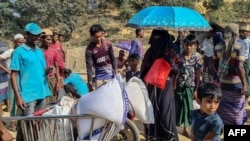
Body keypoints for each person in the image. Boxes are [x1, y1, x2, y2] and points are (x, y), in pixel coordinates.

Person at [10, 22, 51, 141]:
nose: (38, 37)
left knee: (37, 125)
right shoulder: (19, 52)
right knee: (26, 125)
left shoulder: (39, 51)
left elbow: (41, 70)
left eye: (39, 35)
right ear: (26, 35)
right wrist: (18, 96)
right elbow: (14, 75)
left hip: (42, 92)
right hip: (28, 95)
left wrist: (47, 71)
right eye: (34, 35)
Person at [140, 29, 179, 141]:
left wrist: (170, 63)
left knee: (166, 114)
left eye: (160, 37)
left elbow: (177, 71)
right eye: (155, 37)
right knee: (152, 113)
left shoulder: (170, 52)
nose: (157, 40)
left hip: (166, 87)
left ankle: (170, 138)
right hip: (152, 88)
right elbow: (143, 70)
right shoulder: (150, 52)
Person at [215, 23, 248, 125]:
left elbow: (215, 64)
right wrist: (244, 84)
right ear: (236, 33)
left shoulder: (218, 46)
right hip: (236, 84)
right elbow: (240, 67)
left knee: (224, 110)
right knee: (237, 112)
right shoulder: (239, 47)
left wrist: (220, 76)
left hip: (223, 83)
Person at [175, 34, 202, 138]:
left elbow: (198, 74)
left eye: (191, 45)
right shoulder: (179, 56)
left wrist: (196, 89)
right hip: (179, 85)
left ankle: (186, 128)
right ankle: (179, 123)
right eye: (187, 45)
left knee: (188, 107)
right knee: (179, 105)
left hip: (190, 86)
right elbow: (176, 71)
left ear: (195, 45)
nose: (189, 47)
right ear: (184, 44)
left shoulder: (197, 57)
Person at [0, 34, 25, 132]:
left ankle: (19, 122)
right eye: (19, 42)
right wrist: (7, 70)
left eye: (23, 42)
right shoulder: (11, 52)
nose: (21, 44)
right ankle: (12, 123)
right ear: (15, 42)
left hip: (22, 81)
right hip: (13, 80)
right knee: (13, 102)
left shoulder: (24, 51)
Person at [85, 24, 118, 91]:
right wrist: (90, 82)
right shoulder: (89, 50)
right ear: (92, 36)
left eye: (100, 36)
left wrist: (116, 70)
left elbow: (113, 58)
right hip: (99, 77)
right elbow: (89, 67)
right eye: (96, 37)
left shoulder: (108, 44)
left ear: (102, 34)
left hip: (110, 75)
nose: (99, 39)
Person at [40, 28, 60, 103]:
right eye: (48, 39)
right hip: (41, 79)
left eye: (51, 40)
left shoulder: (53, 51)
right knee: (43, 101)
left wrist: (58, 81)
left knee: (53, 100)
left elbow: (57, 67)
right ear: (42, 39)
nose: (50, 41)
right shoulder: (38, 51)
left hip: (52, 79)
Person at [237, 23, 250, 106]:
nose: (242, 33)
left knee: (247, 79)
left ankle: (246, 96)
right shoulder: (237, 39)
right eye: (241, 31)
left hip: (246, 61)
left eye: (244, 32)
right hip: (238, 60)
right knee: (240, 78)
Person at [0, 40, 10, 116]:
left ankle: (2, 110)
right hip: (5, 71)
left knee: (4, 90)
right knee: (5, 91)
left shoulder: (4, 44)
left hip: (4, 71)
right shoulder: (5, 44)